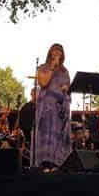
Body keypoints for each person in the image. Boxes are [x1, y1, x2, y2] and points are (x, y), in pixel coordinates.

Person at [32, 43, 71, 172]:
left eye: (60, 51)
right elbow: (43, 83)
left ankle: (57, 163)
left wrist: (66, 88)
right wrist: (52, 66)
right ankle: (44, 163)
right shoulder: (43, 67)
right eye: (55, 51)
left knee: (59, 134)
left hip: (61, 105)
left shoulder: (65, 71)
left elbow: (68, 86)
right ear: (50, 53)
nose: (57, 53)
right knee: (46, 132)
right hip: (47, 106)